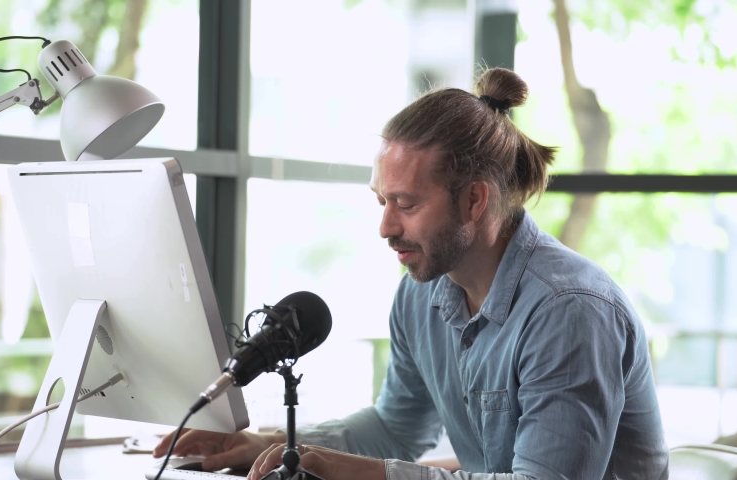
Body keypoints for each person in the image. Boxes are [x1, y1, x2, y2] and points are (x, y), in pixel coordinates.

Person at [154, 67, 669, 479]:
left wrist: (358, 472)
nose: (384, 226)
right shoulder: (421, 296)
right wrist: (272, 446)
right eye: (381, 201)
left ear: (473, 200)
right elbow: (396, 427)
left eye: (405, 204)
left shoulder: (569, 310)